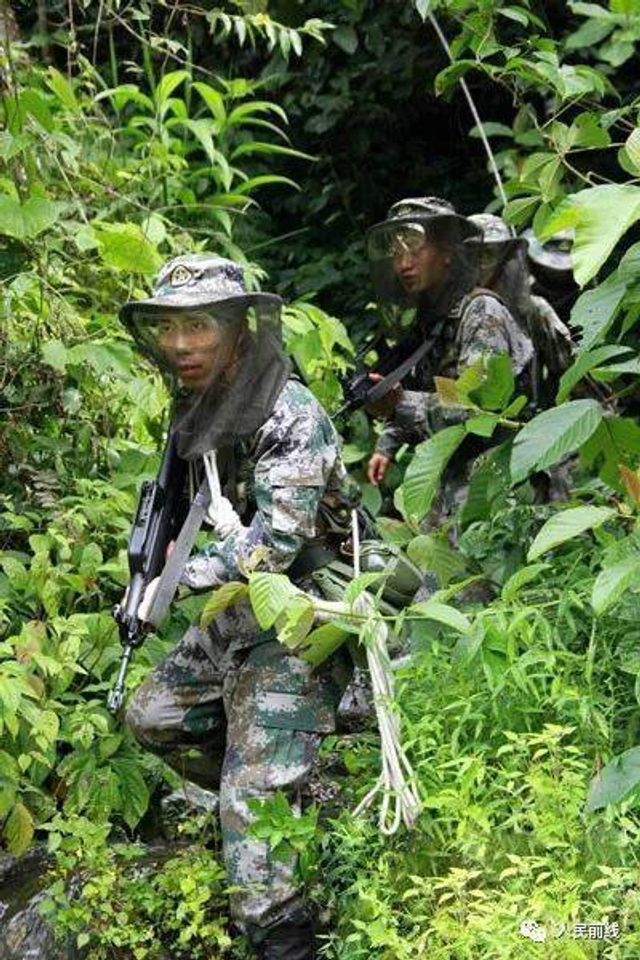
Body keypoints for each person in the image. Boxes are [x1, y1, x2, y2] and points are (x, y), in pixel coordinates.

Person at [119, 254, 355, 960]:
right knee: (152, 717)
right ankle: (298, 791)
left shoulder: (289, 412)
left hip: (306, 612)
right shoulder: (200, 406)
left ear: (240, 330)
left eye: (199, 325)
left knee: (253, 853)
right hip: (241, 610)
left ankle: (283, 912)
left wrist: (171, 580)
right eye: (167, 327)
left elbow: (273, 551)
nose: (182, 344)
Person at [365, 198, 536, 506]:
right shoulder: (434, 319)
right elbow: (426, 387)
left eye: (415, 248)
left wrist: (399, 404)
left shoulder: (481, 311)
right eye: (396, 252)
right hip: (453, 482)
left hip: (500, 488)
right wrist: (388, 441)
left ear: (446, 251)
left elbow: (479, 406)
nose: (403, 264)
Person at [468, 213, 574, 407]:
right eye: (473, 254)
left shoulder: (534, 311)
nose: (480, 265)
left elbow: (573, 376)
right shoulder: (443, 312)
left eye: (490, 254)